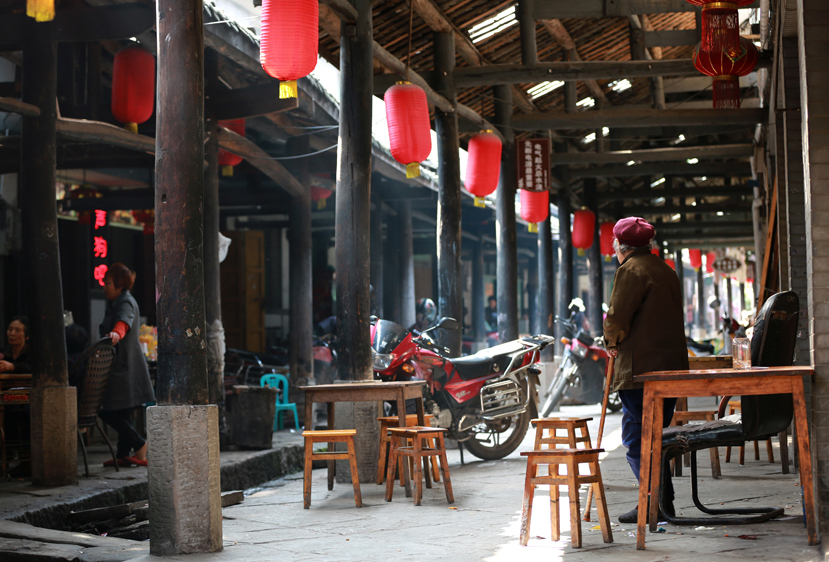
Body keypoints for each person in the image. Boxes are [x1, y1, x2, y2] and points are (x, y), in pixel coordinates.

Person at [602, 217, 689, 523]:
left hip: (641, 372)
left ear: (618, 246)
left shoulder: (630, 270)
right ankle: (661, 502)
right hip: (671, 370)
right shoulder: (666, 270)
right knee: (655, 437)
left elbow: (616, 317)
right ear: (649, 245)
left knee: (637, 438)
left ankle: (654, 503)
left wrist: (610, 340)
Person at [98, 263, 155, 468]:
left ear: (120, 285)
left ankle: (140, 444)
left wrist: (116, 334)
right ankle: (123, 455)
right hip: (122, 367)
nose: (105, 286)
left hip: (124, 367)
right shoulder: (118, 301)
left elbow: (124, 323)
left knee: (106, 409)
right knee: (122, 411)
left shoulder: (126, 302)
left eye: (108, 283)